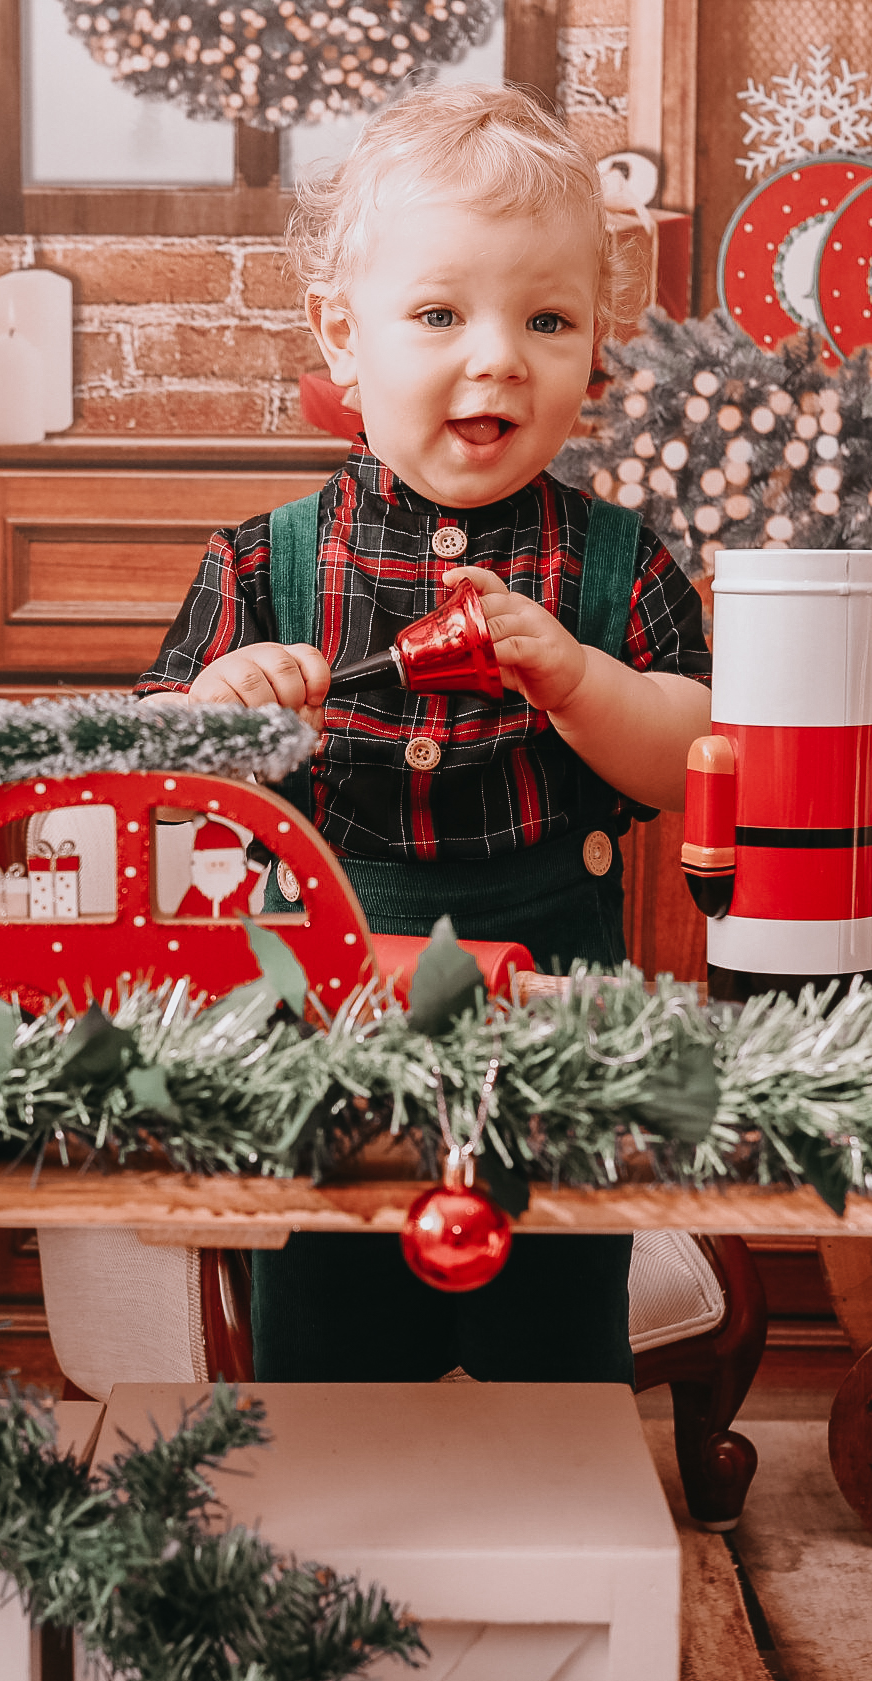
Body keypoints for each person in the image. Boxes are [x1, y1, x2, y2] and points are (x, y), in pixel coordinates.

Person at [140, 82, 712, 1384]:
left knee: (556, 1347)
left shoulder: (619, 564)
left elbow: (693, 760)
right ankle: (340, 1483)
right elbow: (154, 773)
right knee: (331, 1346)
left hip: (555, 1026)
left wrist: (578, 682)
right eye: (441, 314)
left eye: (547, 319)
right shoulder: (262, 562)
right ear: (343, 338)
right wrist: (218, 710)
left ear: (597, 351)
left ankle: (554, 1481)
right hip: (327, 1025)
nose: (498, 357)